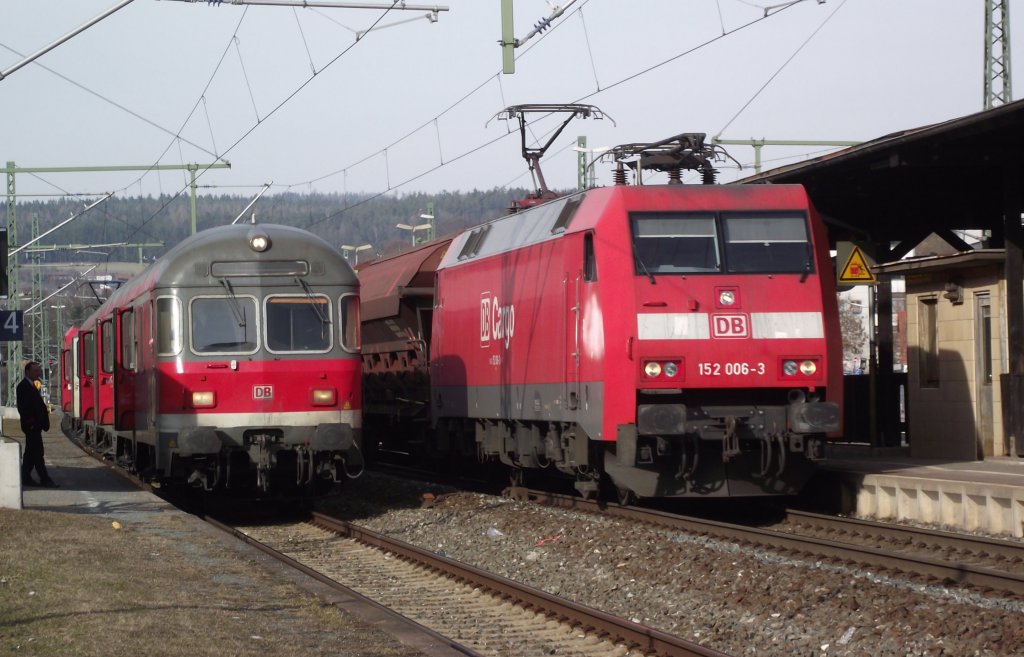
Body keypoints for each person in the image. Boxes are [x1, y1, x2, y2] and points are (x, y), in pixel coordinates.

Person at [17, 361, 57, 487]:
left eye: (38, 370)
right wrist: (32, 423)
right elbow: (24, 408)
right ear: (27, 372)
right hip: (32, 426)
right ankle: (45, 479)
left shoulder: (32, 385)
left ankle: (25, 478)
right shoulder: (23, 386)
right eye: (35, 371)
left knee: (30, 454)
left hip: (35, 425)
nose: (38, 373)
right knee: (38, 454)